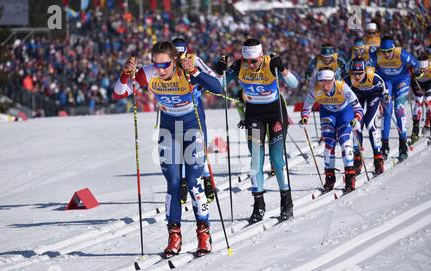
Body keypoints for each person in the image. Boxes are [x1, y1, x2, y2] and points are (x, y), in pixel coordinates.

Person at [112, 41, 222, 258]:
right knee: (172, 183)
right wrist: (125, 76)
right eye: (155, 64)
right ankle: (174, 236)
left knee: (192, 182)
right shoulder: (149, 73)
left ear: (174, 61)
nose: (159, 70)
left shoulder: (186, 71)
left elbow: (218, 88)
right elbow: (120, 94)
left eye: (164, 65)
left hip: (192, 127)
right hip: (169, 130)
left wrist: (195, 72)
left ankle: (204, 233)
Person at [215, 38, 299, 224]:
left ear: (261, 56)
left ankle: (286, 202)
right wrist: (220, 72)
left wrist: (283, 69)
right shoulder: (239, 66)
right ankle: (259, 204)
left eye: (254, 61)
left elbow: (294, 84)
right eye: (247, 61)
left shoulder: (271, 64)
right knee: (256, 161)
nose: (250, 65)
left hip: (276, 114)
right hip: (254, 115)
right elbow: (218, 87)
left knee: (277, 160)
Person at [300, 68, 364, 193]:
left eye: (328, 82)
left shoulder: (343, 87)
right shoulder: (315, 90)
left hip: (344, 113)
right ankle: (330, 178)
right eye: (321, 82)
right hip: (328, 113)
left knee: (345, 143)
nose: (325, 85)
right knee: (329, 145)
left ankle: (350, 176)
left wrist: (357, 119)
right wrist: (304, 118)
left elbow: (358, 107)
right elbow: (306, 107)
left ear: (334, 80)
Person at [171, 37, 217, 204]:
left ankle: (206, 179)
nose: (177, 58)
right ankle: (182, 184)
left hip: (195, 108)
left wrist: (197, 74)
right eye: (174, 54)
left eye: (180, 54)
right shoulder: (166, 62)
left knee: (197, 145)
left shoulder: (194, 59)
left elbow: (212, 77)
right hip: (174, 110)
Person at [369, 36, 421, 160]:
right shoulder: (376, 55)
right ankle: (384, 146)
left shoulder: (401, 54)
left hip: (402, 80)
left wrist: (417, 72)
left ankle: (403, 145)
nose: (386, 55)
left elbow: (415, 63)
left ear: (393, 49)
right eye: (384, 52)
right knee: (387, 111)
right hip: (386, 81)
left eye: (389, 52)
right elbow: (368, 68)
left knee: (399, 109)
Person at [344, 58, 387, 175]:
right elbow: (340, 90)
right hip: (358, 98)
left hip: (373, 96)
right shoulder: (348, 80)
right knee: (357, 126)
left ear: (364, 71)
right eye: (354, 74)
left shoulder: (373, 77)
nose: (357, 77)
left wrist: (385, 96)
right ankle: (357, 158)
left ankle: (378, 158)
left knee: (370, 124)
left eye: (360, 73)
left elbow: (383, 87)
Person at [410, 54, 431, 142]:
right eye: (420, 70)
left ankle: (427, 126)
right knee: (419, 101)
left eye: (425, 70)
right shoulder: (413, 68)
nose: (423, 72)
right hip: (416, 83)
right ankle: (415, 128)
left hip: (429, 83)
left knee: (429, 105)